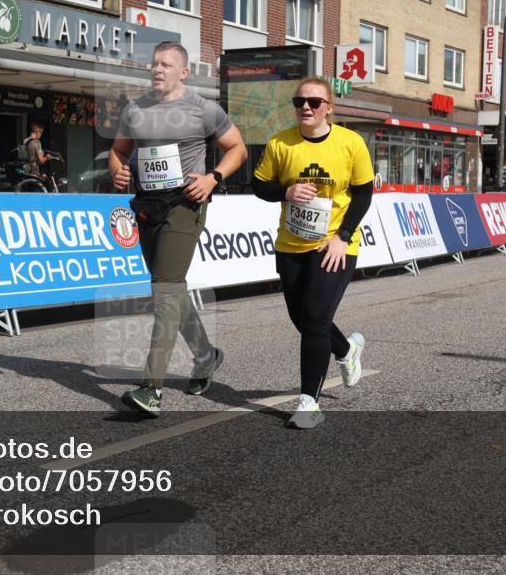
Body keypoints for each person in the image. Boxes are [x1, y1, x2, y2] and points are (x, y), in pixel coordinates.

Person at [110, 41, 247, 416]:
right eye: (154, 64)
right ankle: (206, 356)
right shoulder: (135, 110)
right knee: (170, 289)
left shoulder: (203, 109)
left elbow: (237, 148)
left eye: (166, 65)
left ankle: (150, 388)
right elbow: (119, 150)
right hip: (147, 208)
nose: (157, 69)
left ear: (183, 72)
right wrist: (117, 170)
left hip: (185, 206)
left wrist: (213, 177)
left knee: (165, 292)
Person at [251, 77, 374, 429]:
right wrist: (285, 192)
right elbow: (259, 185)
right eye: (300, 101)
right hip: (291, 245)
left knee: (316, 319)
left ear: (329, 109)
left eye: (315, 102)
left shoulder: (350, 143)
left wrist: (343, 235)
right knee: (302, 319)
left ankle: (309, 402)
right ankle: (347, 350)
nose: (306, 107)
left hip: (335, 245)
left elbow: (364, 195)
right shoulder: (280, 143)